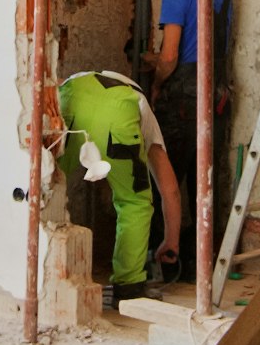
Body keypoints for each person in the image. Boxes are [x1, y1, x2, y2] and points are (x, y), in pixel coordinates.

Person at [54, 66, 180, 305]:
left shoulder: (84, 77)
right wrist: (171, 240)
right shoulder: (144, 111)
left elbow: (56, 84)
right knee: (135, 201)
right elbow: (169, 189)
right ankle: (129, 285)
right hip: (118, 114)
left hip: (70, 95)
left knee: (48, 182)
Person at [148, 0, 233, 252]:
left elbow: (170, 56)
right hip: (217, 94)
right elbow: (204, 44)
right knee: (206, 181)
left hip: (183, 99)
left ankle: (162, 255)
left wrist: (157, 82)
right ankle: (205, 260)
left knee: (165, 179)